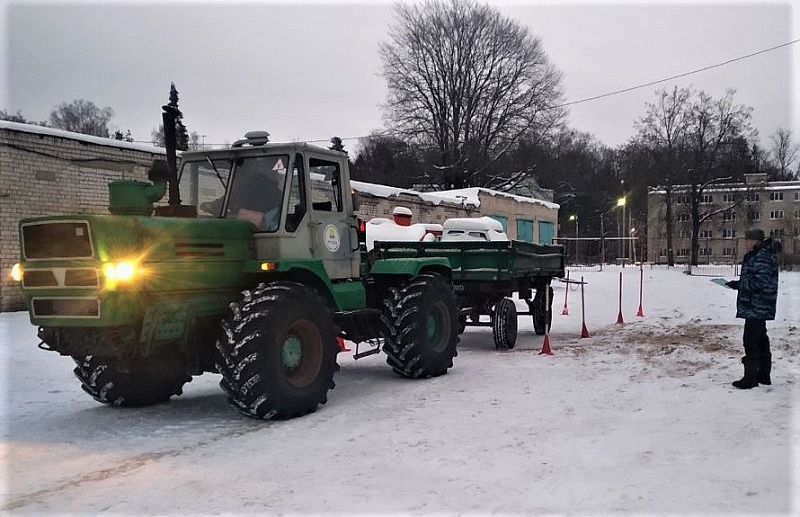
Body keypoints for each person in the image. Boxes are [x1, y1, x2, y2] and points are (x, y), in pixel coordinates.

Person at [726, 228, 781, 389]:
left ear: (756, 240)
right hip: (758, 304)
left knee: (750, 340)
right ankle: (763, 375)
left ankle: (751, 377)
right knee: (760, 338)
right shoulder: (759, 254)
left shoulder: (762, 255)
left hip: (758, 304)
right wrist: (739, 284)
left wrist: (739, 285)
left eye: (747, 240)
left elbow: (760, 281)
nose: (745, 243)